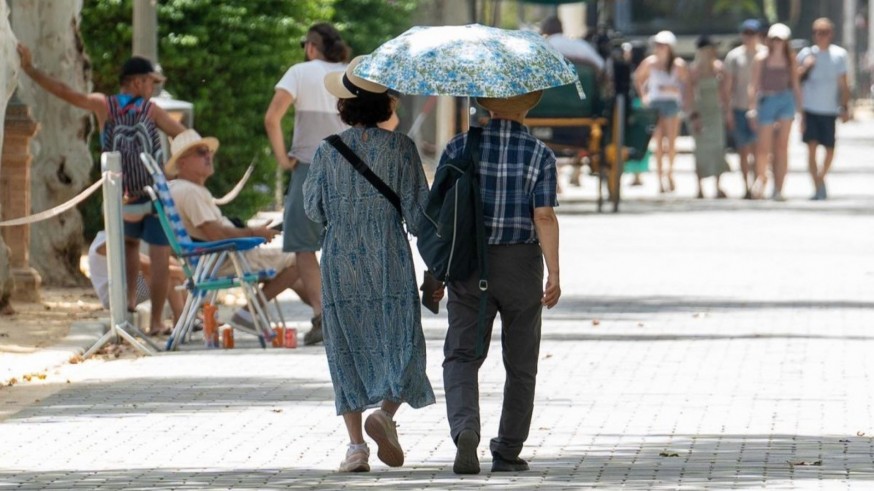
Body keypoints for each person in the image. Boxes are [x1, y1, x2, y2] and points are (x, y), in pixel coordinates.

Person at [303, 57, 437, 473]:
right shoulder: (402, 149)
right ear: (385, 105)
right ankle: (387, 413)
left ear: (345, 106)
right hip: (388, 257)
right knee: (404, 340)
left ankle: (356, 446)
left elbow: (313, 208)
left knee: (345, 347)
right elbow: (419, 216)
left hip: (340, 259)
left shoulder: (327, 151)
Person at [18, 44, 186, 335]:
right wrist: (171, 170)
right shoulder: (152, 110)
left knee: (129, 248)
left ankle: (131, 304)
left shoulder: (103, 105)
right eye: (149, 82)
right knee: (160, 256)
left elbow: (64, 92)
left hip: (122, 193)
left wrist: (30, 69)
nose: (151, 89)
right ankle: (158, 321)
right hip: (154, 192)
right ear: (136, 81)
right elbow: (184, 138)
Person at [441, 91, 561, 475]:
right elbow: (543, 216)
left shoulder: (459, 146)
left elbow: (442, 211)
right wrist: (554, 271)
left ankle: (465, 430)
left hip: (468, 263)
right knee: (521, 362)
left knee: (462, 355)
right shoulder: (540, 153)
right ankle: (508, 450)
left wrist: (437, 268)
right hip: (521, 265)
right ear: (529, 105)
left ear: (486, 103)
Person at [165, 129, 310, 331]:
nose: (208, 156)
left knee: (298, 276)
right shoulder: (189, 192)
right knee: (298, 259)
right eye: (200, 152)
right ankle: (247, 314)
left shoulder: (182, 189)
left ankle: (329, 317)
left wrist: (253, 232)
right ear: (182, 162)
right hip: (223, 260)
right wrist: (253, 234)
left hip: (216, 259)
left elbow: (214, 232)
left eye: (208, 152)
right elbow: (216, 234)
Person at [264, 23, 351, 345]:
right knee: (344, 244)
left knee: (303, 244)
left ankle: (322, 315)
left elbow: (272, 117)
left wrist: (284, 159)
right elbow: (390, 120)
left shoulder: (299, 72)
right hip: (347, 167)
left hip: (309, 166)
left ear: (311, 46)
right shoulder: (350, 75)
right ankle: (347, 314)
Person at [86, 231, 185, 332]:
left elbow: (149, 262)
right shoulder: (108, 244)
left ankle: (186, 317)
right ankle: (179, 320)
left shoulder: (113, 238)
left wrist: (178, 271)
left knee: (169, 263)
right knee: (167, 278)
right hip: (115, 296)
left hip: (126, 288)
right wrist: (182, 273)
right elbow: (147, 267)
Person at [797, 17, 851, 200]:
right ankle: (818, 187)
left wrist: (845, 106)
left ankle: (820, 179)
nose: (821, 36)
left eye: (825, 32)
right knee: (811, 148)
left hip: (829, 109)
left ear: (831, 34)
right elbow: (795, 81)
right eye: (817, 33)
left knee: (829, 149)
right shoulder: (805, 54)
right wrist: (805, 68)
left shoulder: (839, 55)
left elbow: (844, 84)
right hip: (810, 108)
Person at [748, 23, 802, 201]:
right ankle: (761, 178)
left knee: (782, 147)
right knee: (764, 147)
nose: (777, 42)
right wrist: (752, 109)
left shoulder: (790, 59)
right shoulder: (761, 58)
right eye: (774, 39)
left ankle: (779, 187)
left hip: (785, 100)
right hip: (767, 101)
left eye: (780, 39)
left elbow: (795, 85)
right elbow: (754, 85)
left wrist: (801, 112)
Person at [634, 31, 693, 194]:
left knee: (672, 142)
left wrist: (676, 91)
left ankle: (670, 173)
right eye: (657, 45)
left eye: (662, 45)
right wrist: (644, 96)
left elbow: (686, 84)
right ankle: (660, 179)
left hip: (672, 103)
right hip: (655, 104)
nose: (659, 48)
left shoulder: (678, 64)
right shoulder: (650, 62)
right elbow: (638, 77)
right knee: (658, 143)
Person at [723, 19, 768, 199]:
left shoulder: (766, 54)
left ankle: (759, 184)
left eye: (752, 33)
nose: (749, 37)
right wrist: (727, 111)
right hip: (739, 107)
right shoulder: (734, 57)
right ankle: (746, 186)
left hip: (762, 109)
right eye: (746, 33)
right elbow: (727, 86)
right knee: (743, 150)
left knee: (760, 150)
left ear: (758, 35)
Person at [689, 35, 730, 198]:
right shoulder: (694, 70)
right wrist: (694, 115)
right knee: (700, 150)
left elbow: (725, 93)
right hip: (700, 112)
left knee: (718, 149)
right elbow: (690, 94)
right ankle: (699, 188)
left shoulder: (719, 68)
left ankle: (718, 186)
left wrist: (727, 113)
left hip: (715, 112)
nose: (715, 51)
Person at [540, 16, 605, 72]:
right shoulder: (580, 44)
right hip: (588, 85)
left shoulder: (545, 47)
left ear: (544, 31)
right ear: (562, 28)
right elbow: (601, 65)